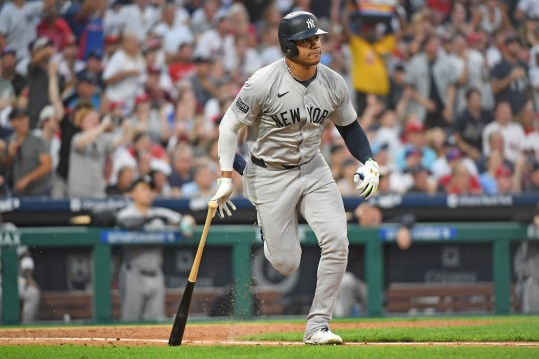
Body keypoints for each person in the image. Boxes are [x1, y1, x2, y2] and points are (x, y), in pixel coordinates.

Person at [209, 11, 379, 345]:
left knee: (337, 241)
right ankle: (266, 228)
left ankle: (318, 325)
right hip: (269, 175)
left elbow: (350, 127)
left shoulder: (332, 82)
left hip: (313, 168)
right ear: (288, 47)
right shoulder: (262, 82)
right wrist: (226, 176)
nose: (316, 44)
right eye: (306, 40)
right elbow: (229, 126)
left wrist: (370, 160)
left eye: (317, 38)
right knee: (286, 264)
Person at [115, 175, 195, 321]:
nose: (148, 193)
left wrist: (186, 223)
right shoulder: (126, 213)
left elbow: (186, 220)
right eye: (143, 189)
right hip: (133, 273)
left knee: (155, 322)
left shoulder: (160, 213)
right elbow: (126, 222)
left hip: (156, 274)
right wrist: (156, 221)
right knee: (129, 321)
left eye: (150, 189)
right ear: (133, 193)